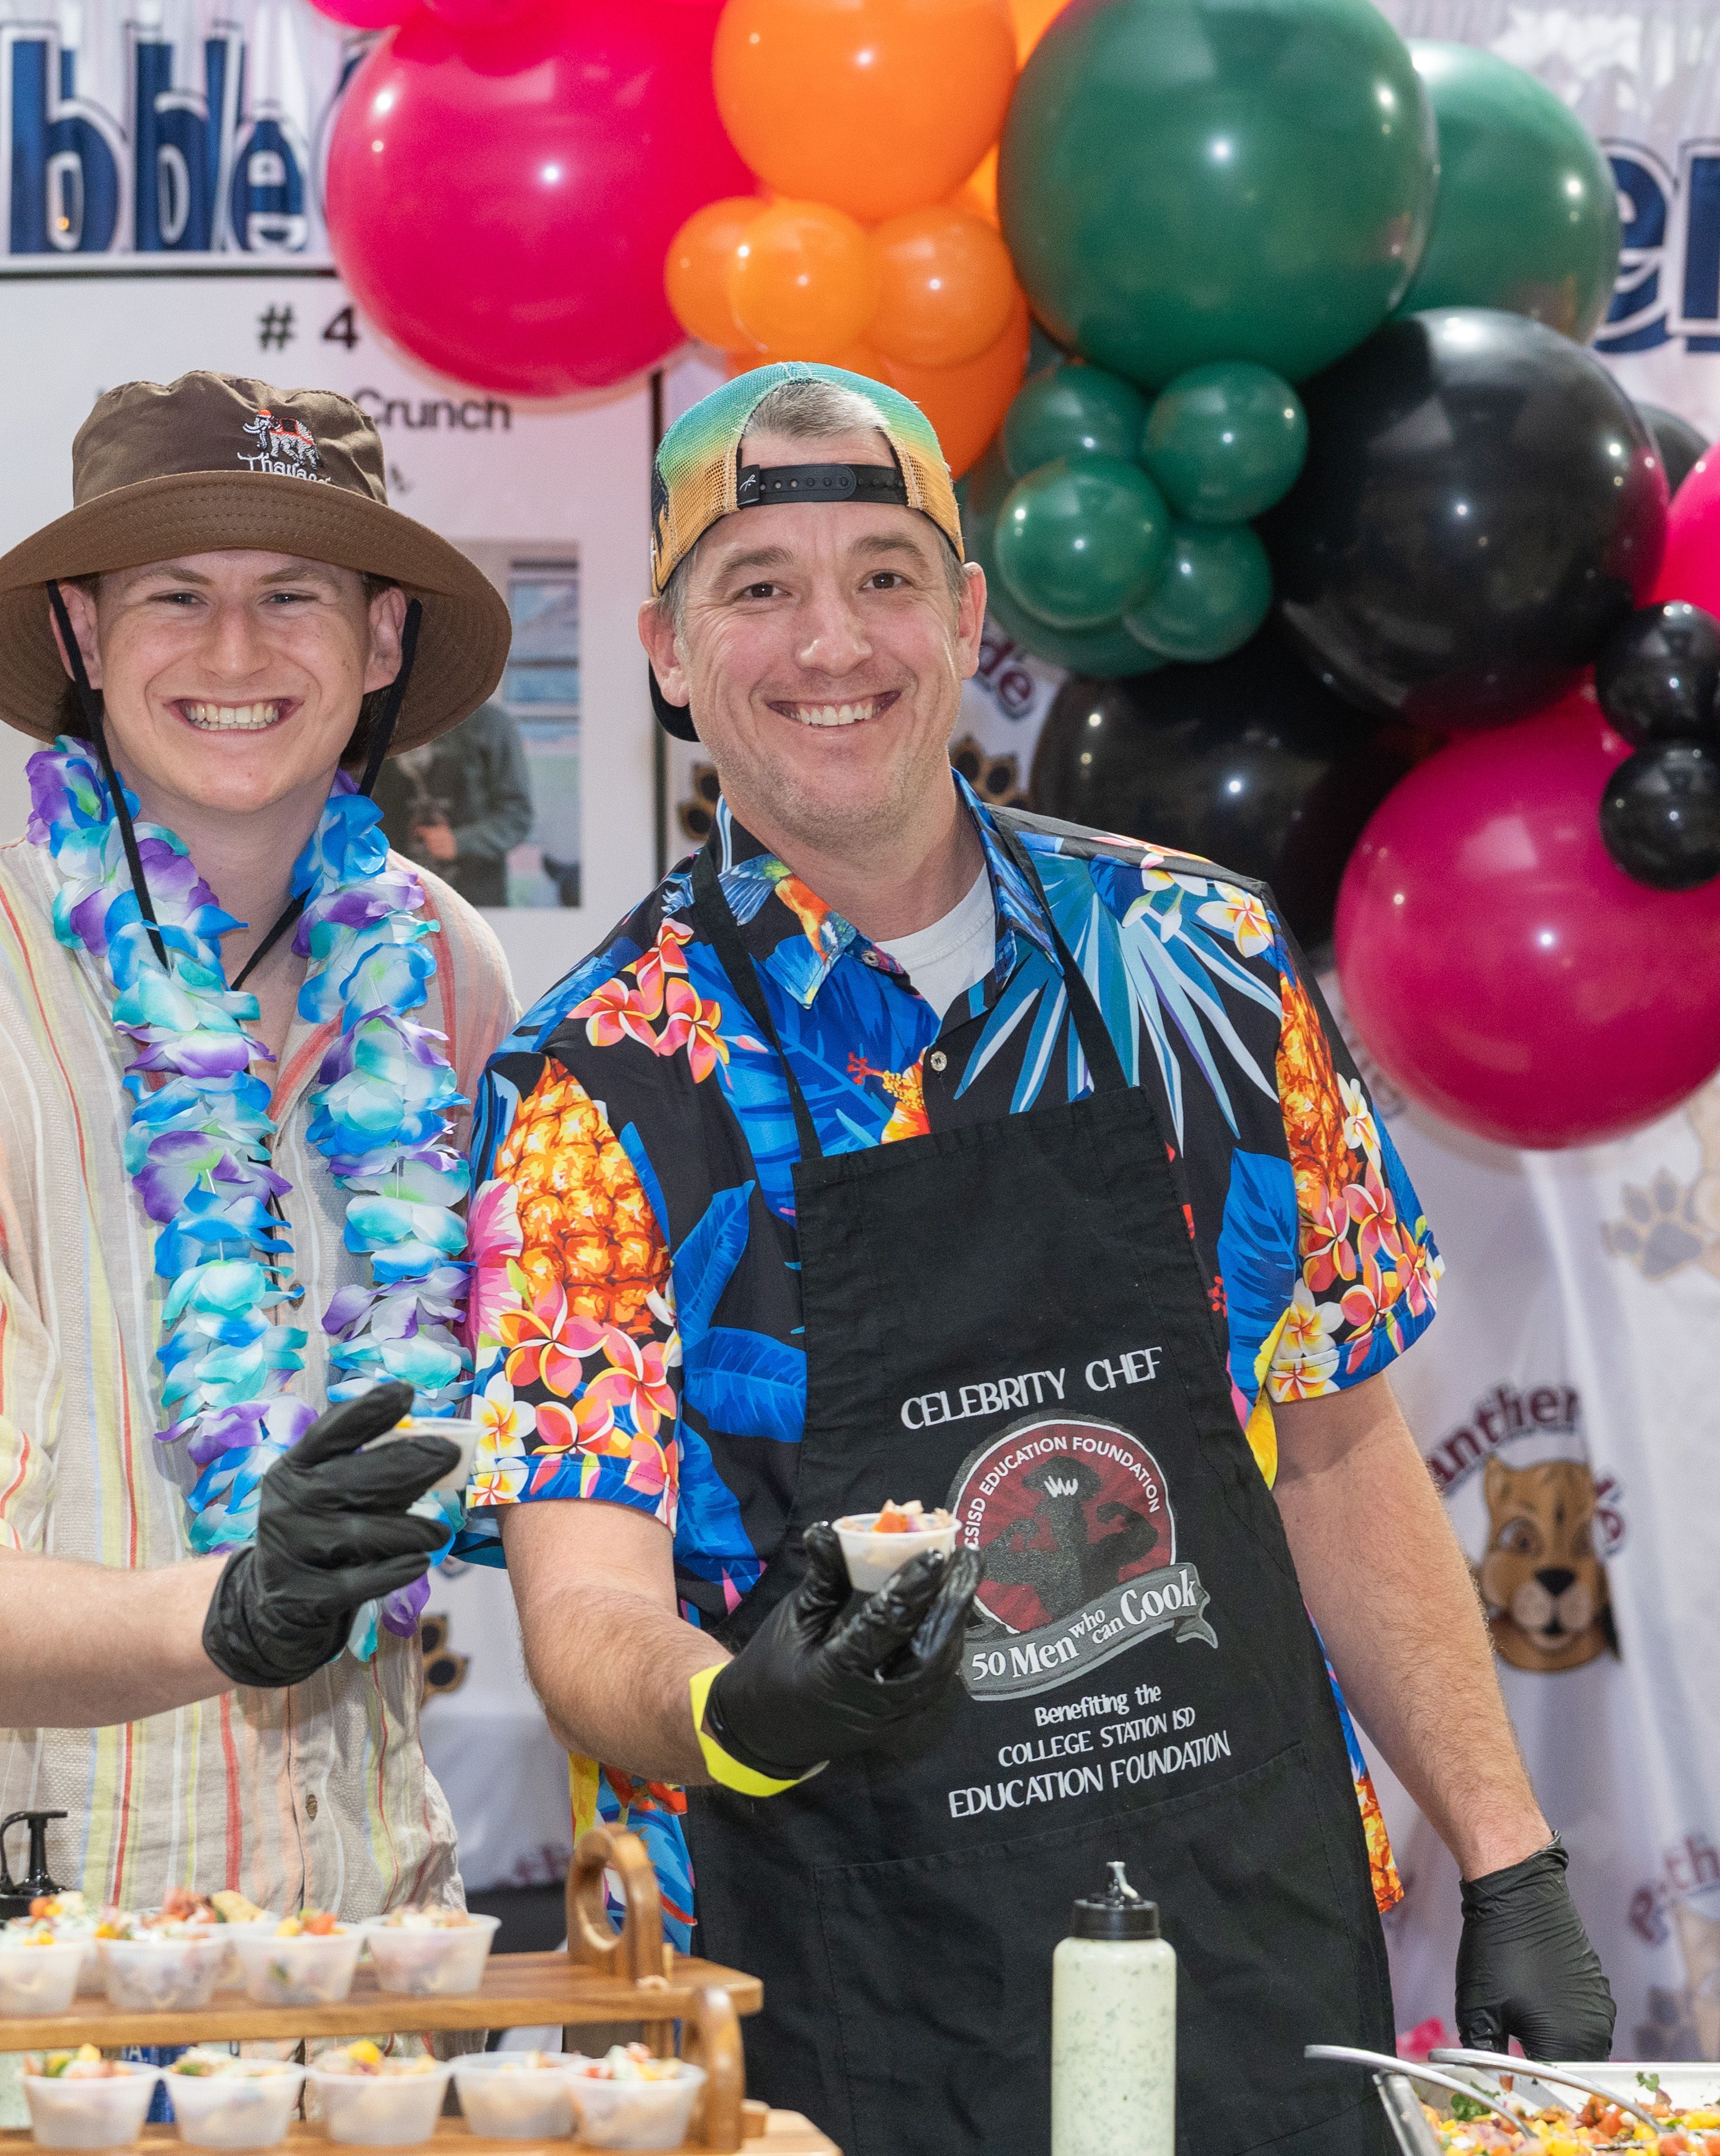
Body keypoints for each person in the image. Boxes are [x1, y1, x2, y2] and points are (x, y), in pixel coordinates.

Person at [459, 362, 1611, 2153]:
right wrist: (733, 1701)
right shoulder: (595, 1082)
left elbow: (1340, 1451)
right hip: (830, 2000)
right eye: (755, 583)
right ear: (667, 652)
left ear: (968, 616)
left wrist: (1507, 1850)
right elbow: (582, 1603)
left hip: (1240, 1947)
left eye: (885, 575)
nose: (827, 638)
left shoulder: (1205, 965)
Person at [0, 372, 516, 1921]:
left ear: (378, 642)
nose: (235, 653)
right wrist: (227, 1609)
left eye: (293, 594)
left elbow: (530, 1434)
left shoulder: (446, 976)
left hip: (354, 1952)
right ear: (87, 638)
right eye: (175, 595)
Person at [376, 696, 534, 907]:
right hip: (396, 897)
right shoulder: (382, 721)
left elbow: (517, 817)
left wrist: (460, 842)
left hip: (476, 899)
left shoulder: (491, 724)